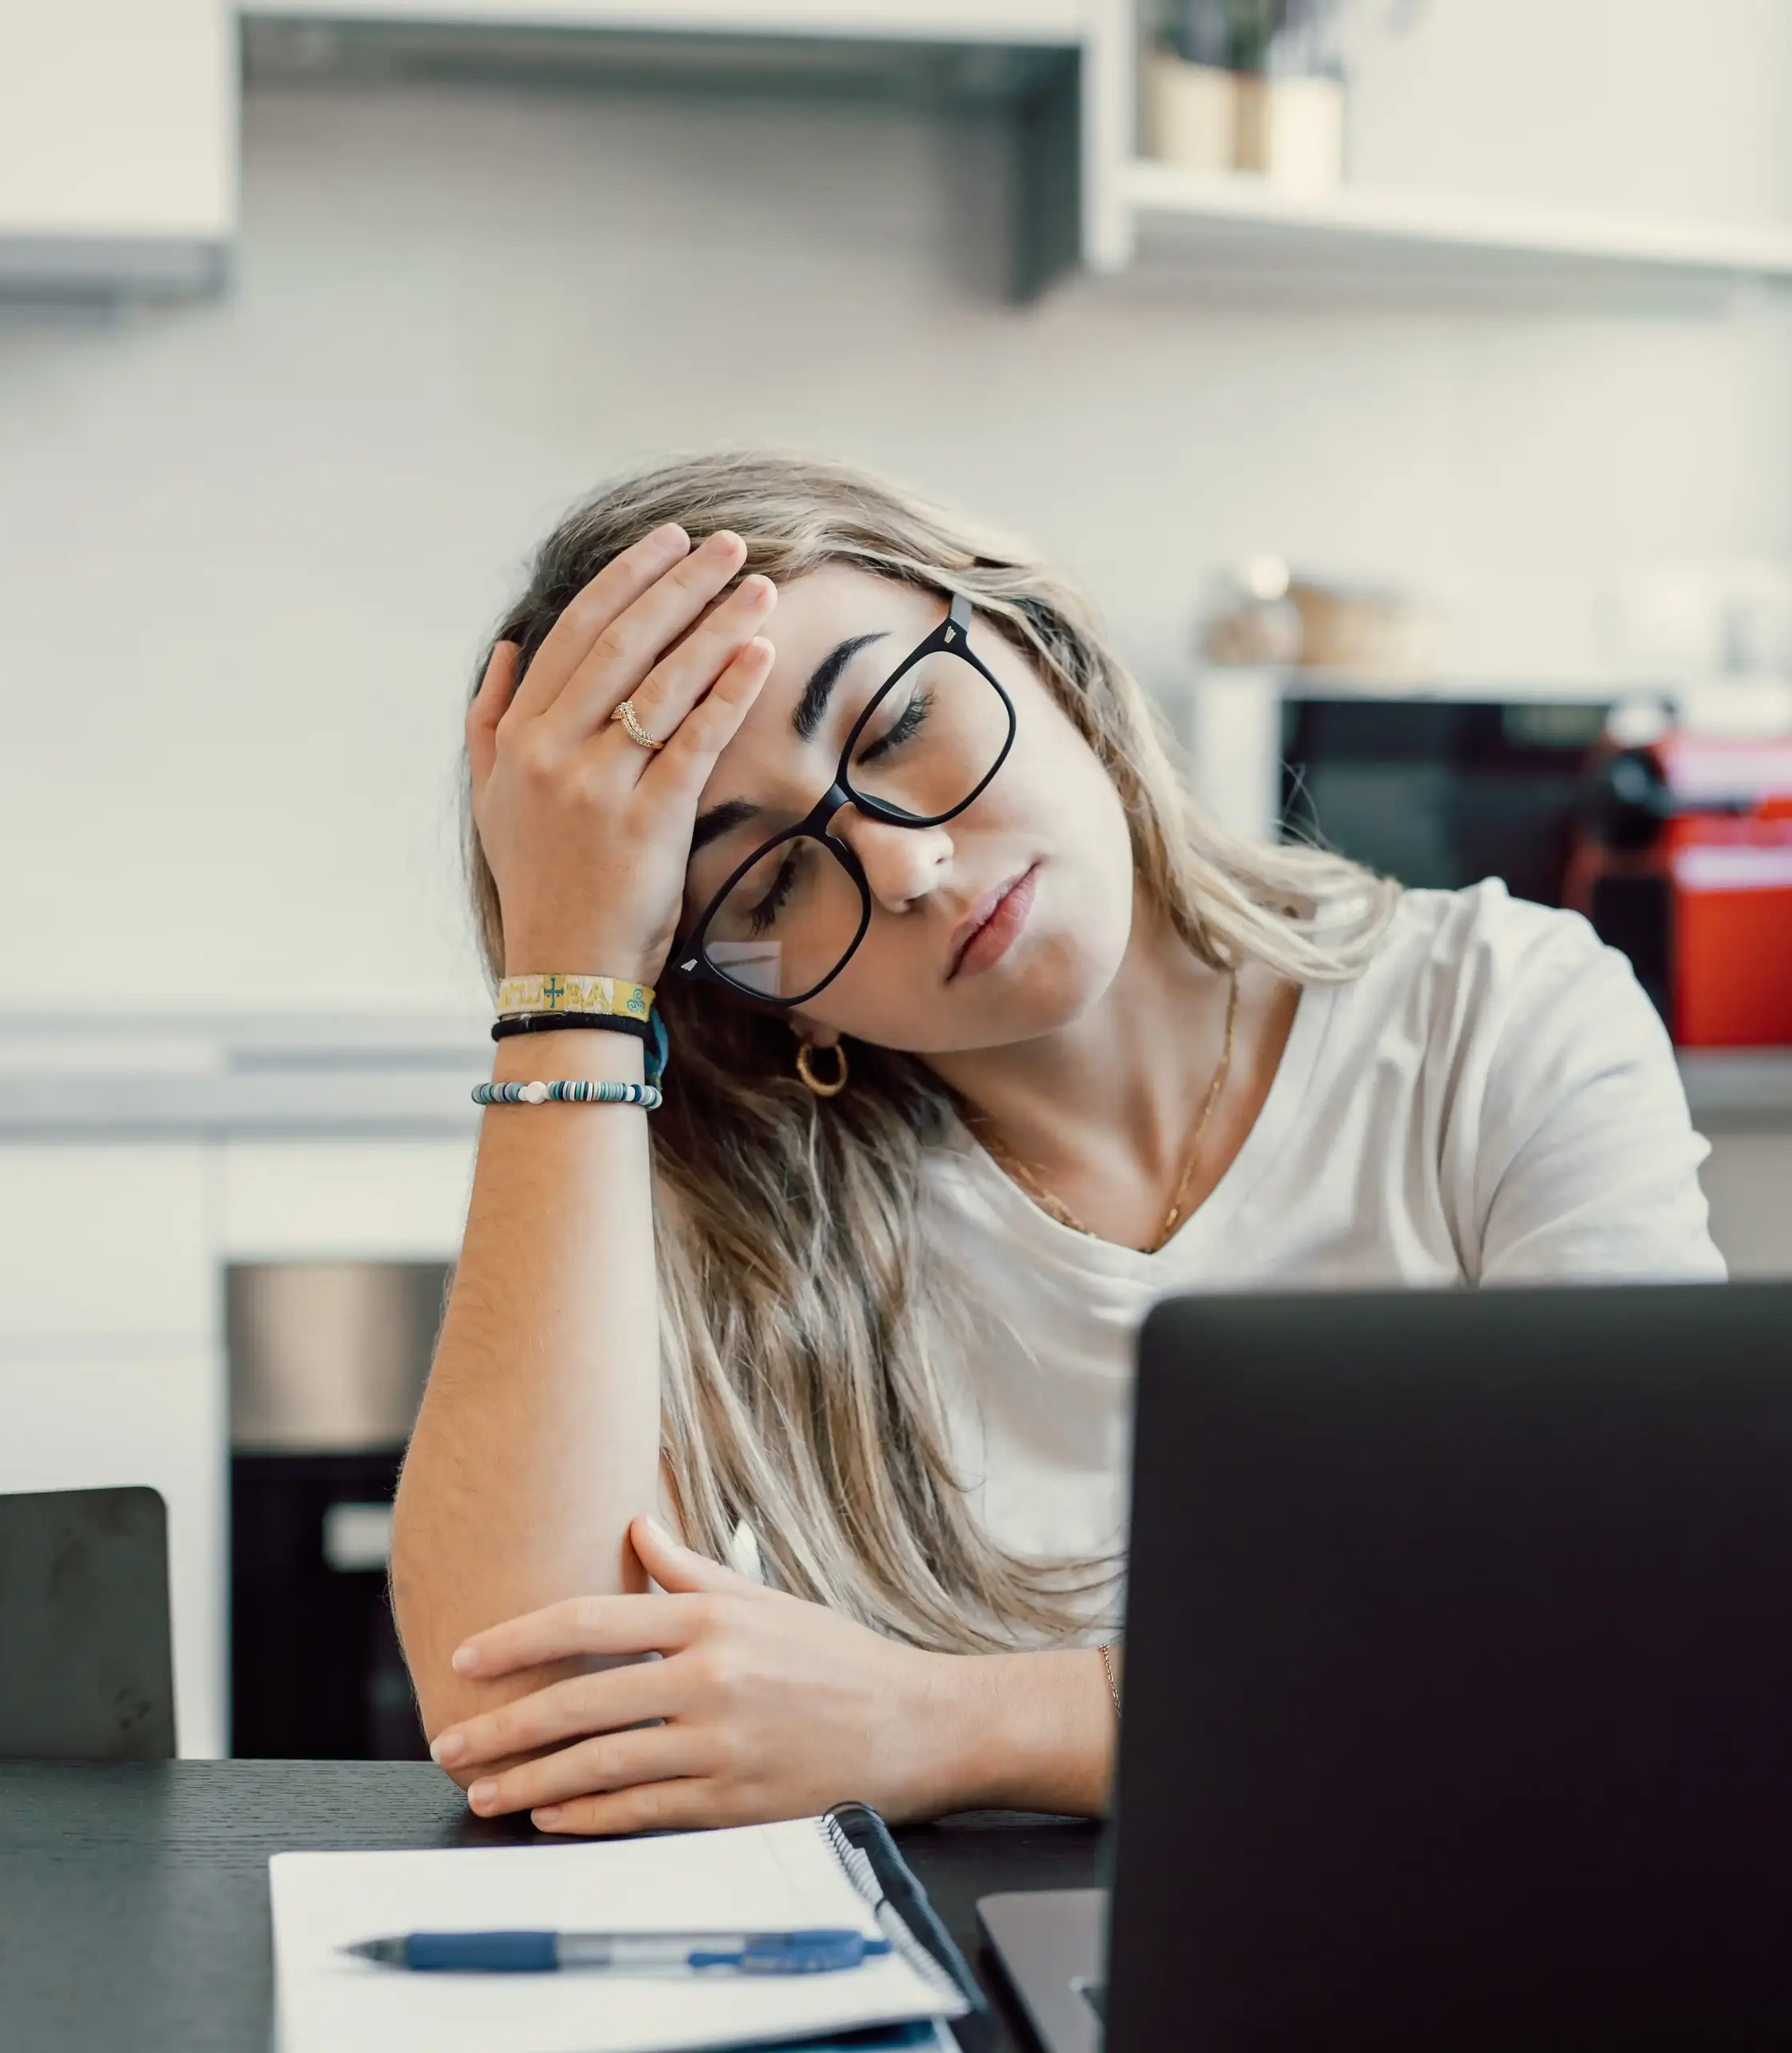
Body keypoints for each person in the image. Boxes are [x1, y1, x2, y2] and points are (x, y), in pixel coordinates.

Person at [390, 451, 1725, 1836]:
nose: (904, 868)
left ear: (1035, 640)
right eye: (771, 878)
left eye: (899, 721)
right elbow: (521, 1712)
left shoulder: (1501, 1014)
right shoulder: (709, 1201)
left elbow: (1643, 1638)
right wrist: (567, 978)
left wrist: (945, 1726)